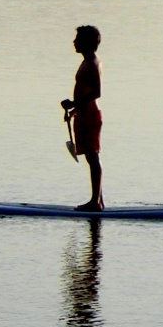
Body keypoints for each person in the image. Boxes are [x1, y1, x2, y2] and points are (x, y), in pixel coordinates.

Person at [60, 25, 103, 211]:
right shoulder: (87, 61)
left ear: (86, 42)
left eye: (77, 39)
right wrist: (74, 110)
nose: (74, 42)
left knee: (92, 157)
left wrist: (73, 104)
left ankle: (95, 202)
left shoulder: (92, 63)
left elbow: (96, 92)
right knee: (90, 157)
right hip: (84, 114)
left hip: (90, 116)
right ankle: (98, 201)